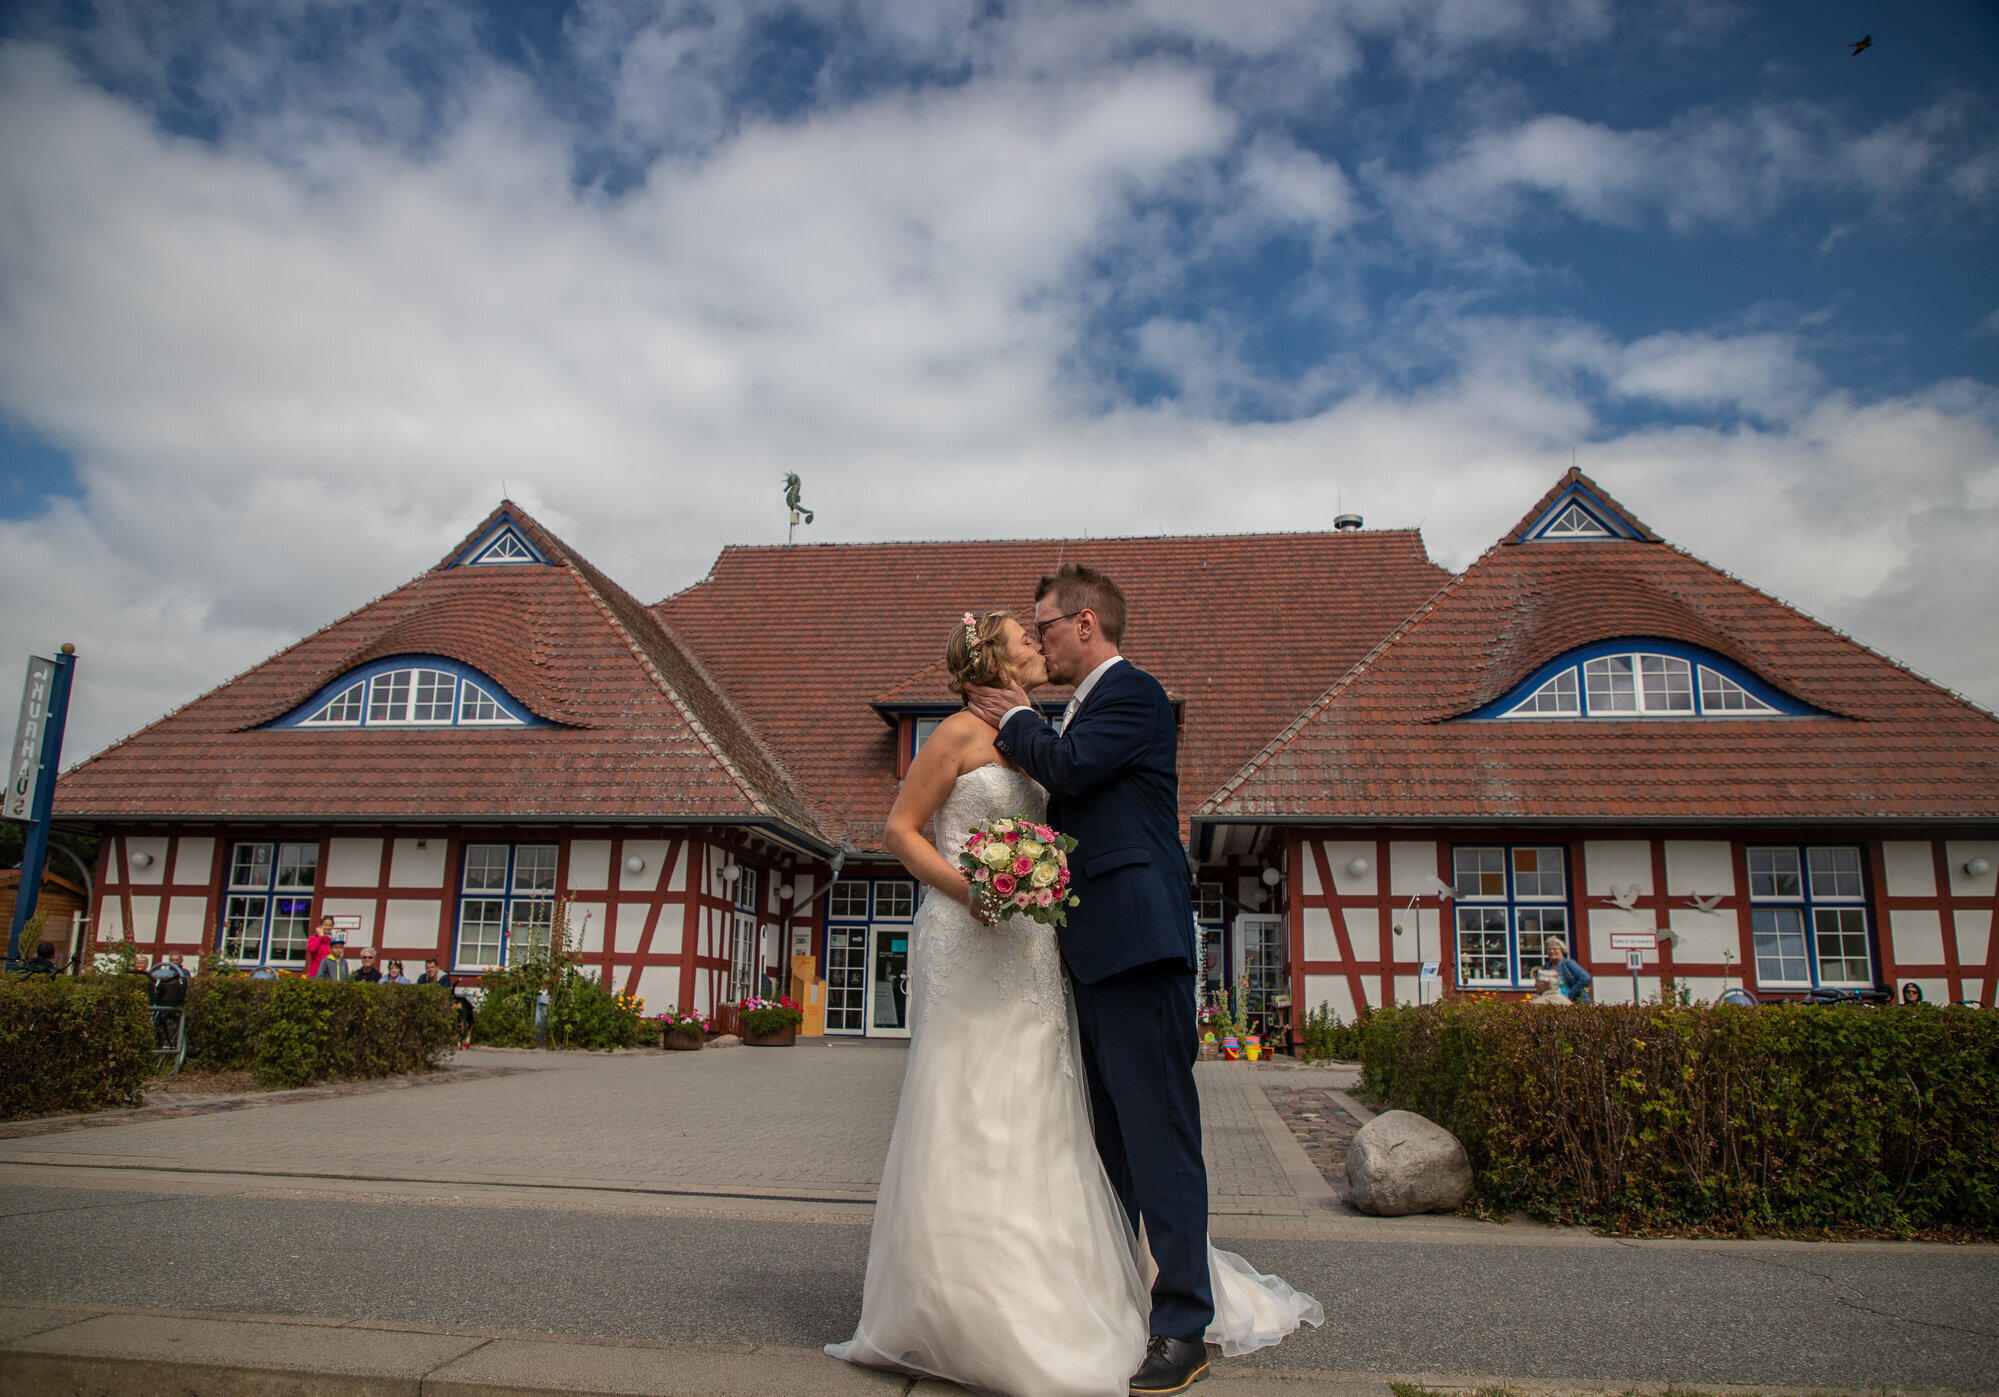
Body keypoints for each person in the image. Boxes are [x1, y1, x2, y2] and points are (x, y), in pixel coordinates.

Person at [828, 591, 1318, 1396]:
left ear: (1083, 622)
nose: (1040, 642)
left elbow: (1071, 778)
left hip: (1075, 949)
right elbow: (900, 828)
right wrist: (975, 889)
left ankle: (1174, 1320)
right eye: (1027, 636)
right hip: (1005, 945)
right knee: (1014, 1122)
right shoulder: (967, 733)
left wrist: (1025, 840)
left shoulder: (1097, 710)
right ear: (994, 658)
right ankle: (975, 1301)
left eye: (1043, 627)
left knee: (1102, 1131)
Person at [1546, 938, 1592, 1003]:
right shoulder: (1547, 966)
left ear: (1562, 950)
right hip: (1554, 1001)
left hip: (1575, 1001)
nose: (1551, 951)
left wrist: (1570, 994)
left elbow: (1585, 978)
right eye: (1549, 949)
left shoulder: (1568, 963)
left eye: (1554, 949)